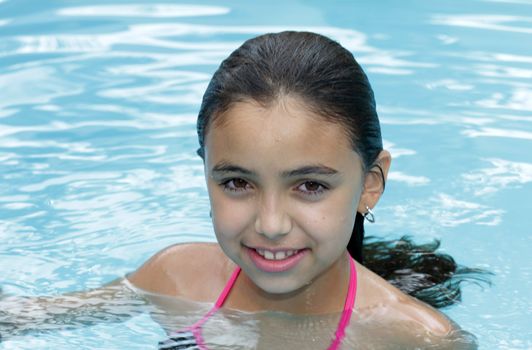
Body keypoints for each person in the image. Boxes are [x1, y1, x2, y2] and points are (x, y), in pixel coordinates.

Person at [1, 31, 486, 349]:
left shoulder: (414, 338)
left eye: (310, 186)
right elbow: (28, 318)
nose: (270, 225)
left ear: (370, 184)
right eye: (237, 182)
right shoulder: (177, 279)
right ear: (205, 173)